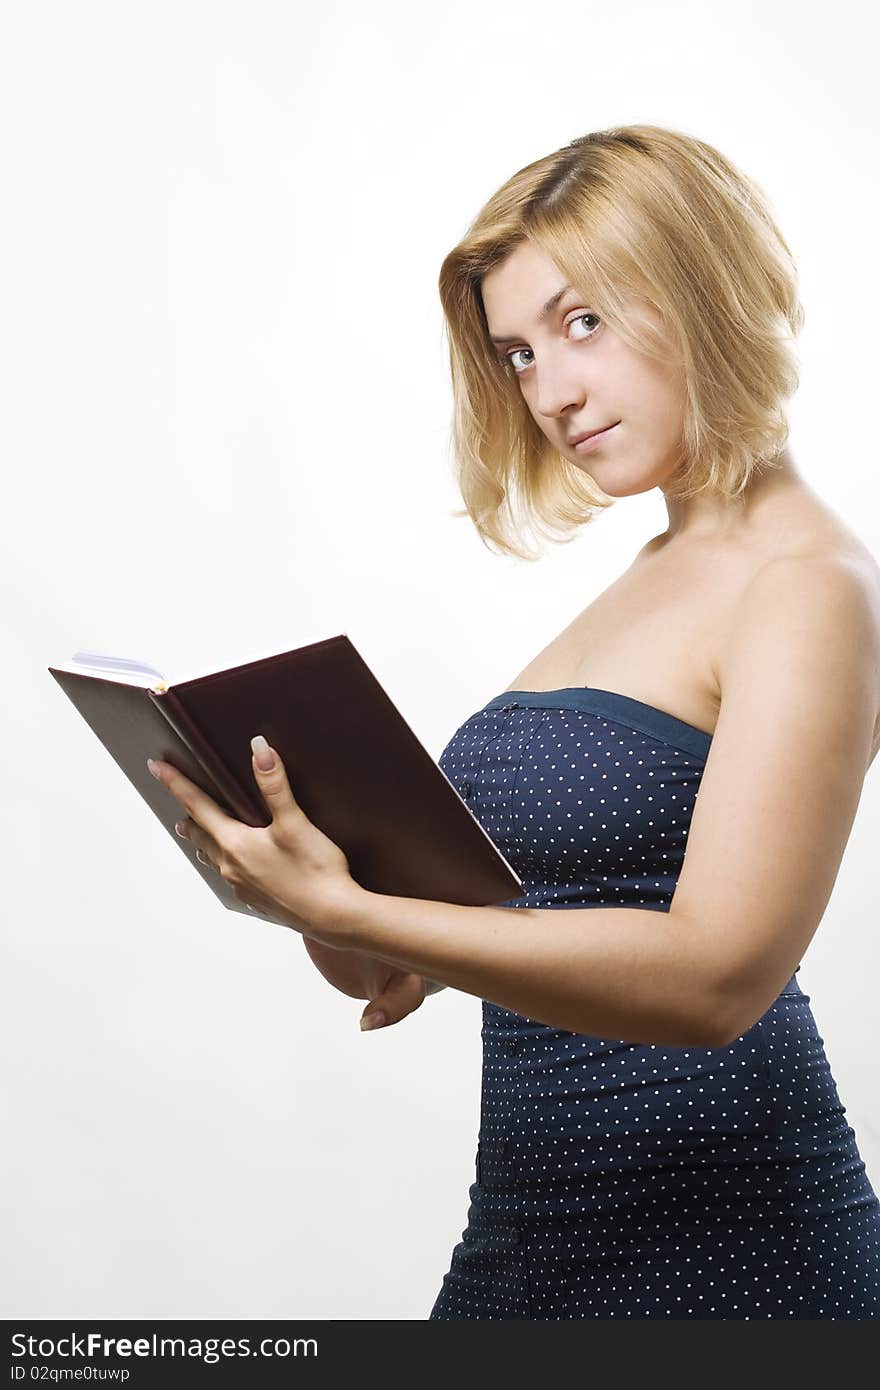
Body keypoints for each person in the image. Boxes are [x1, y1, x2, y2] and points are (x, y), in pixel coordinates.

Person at [303, 124, 880, 1318]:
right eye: (516, 352)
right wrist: (319, 895)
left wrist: (354, 908)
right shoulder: (655, 574)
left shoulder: (806, 587)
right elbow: (399, 957)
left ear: (701, 290)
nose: (550, 391)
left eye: (583, 323)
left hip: (737, 1259)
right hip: (522, 1242)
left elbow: (717, 978)